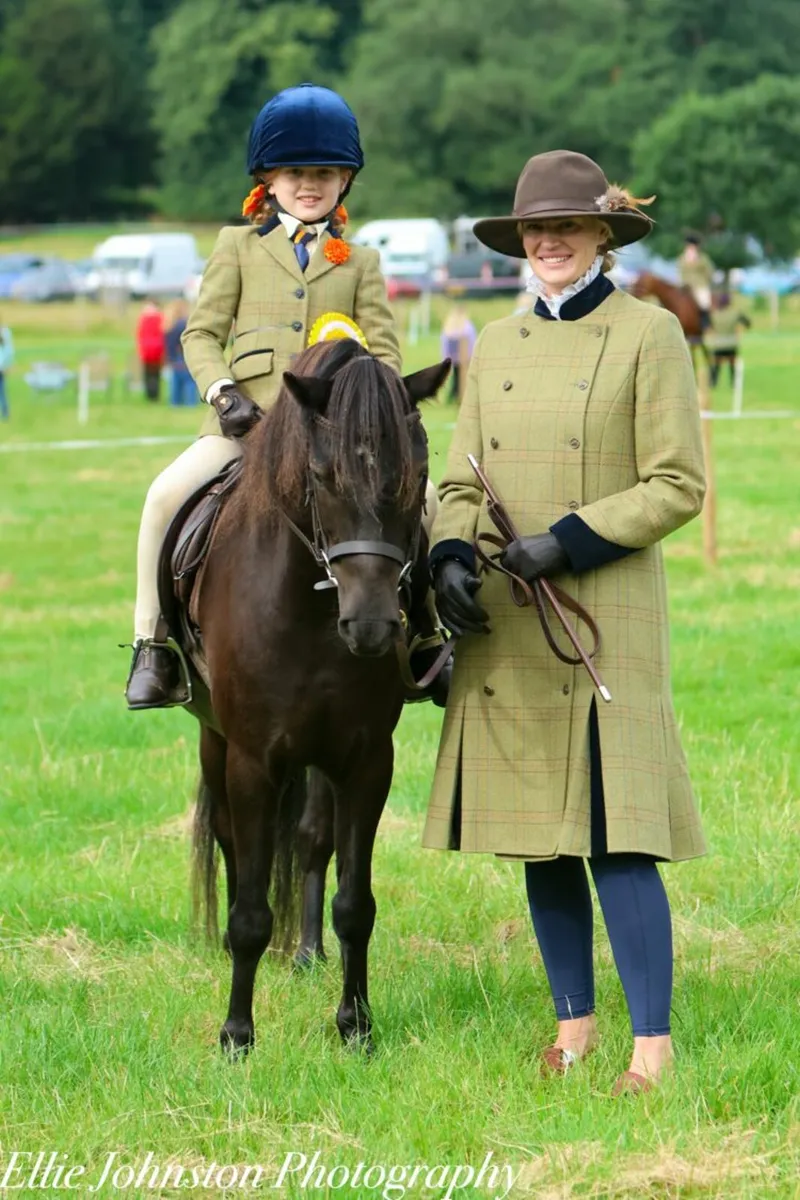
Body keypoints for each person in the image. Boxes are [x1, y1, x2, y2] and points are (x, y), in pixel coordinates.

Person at [424, 151, 706, 1095]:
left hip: (600, 613)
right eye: (535, 230)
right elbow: (462, 476)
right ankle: (573, 1028)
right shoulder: (496, 343)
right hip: (509, 621)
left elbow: (678, 483)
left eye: (567, 227)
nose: (549, 242)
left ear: (601, 236)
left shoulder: (650, 334)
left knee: (619, 838)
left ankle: (652, 1050)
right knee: (540, 836)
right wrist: (451, 550)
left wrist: (570, 540)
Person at [126, 83, 433, 708]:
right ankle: (152, 646)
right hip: (245, 430)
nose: (309, 185)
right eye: (296, 173)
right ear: (268, 179)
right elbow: (201, 334)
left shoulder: (361, 261)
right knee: (162, 498)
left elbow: (385, 351)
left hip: (333, 442)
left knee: (425, 504)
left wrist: (367, 413)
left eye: (323, 173)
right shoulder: (237, 246)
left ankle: (425, 632)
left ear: (345, 181)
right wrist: (223, 395)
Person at [708, 291, 751, 387]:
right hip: (731, 344)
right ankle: (734, 383)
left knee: (715, 366)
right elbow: (748, 323)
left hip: (718, 345)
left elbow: (708, 327)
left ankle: (713, 383)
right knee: (732, 366)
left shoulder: (714, 314)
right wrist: (740, 330)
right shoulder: (735, 313)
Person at [163, 300, 198, 407]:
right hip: (184, 356)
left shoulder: (169, 325)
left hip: (174, 358)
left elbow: (168, 344)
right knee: (189, 382)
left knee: (175, 383)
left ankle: (175, 403)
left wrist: (170, 358)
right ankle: (191, 403)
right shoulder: (185, 324)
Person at [440, 303, 477, 400]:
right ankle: (458, 393)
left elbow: (445, 342)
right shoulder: (467, 326)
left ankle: (455, 393)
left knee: (457, 377)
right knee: (460, 377)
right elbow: (472, 341)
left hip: (455, 357)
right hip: (462, 357)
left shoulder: (451, 325)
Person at [678, 234, 714, 330]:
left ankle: (705, 322)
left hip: (699, 285)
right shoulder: (682, 258)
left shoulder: (703, 258)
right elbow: (680, 272)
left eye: (692, 246)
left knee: (704, 301)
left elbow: (709, 272)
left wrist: (704, 282)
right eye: (688, 246)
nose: (690, 248)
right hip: (685, 286)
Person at [136, 302, 164, 401]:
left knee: (148, 374)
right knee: (156, 374)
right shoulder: (160, 318)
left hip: (146, 350)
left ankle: (150, 394)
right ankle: (155, 394)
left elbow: (140, 335)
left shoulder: (143, 319)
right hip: (157, 350)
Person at [0, 315, 13, 420]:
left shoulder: (4, 332)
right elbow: (9, 350)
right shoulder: (4, 331)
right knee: (2, 390)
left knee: (2, 390)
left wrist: (7, 364)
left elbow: (8, 350)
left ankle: (5, 412)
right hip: (2, 366)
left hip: (1, 366)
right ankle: (5, 413)